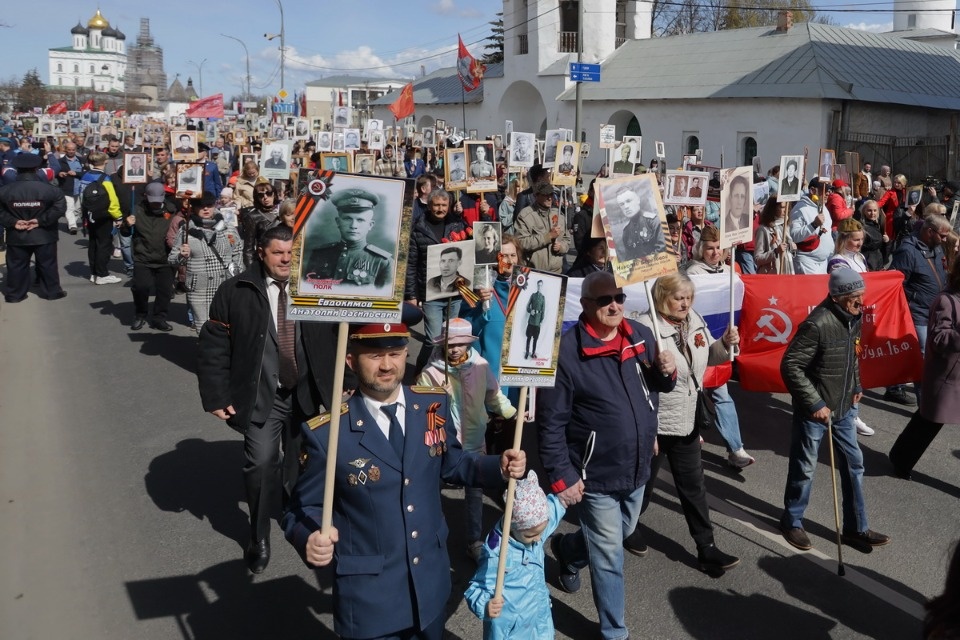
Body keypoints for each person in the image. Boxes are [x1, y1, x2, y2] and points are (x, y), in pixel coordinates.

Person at [281, 320, 526, 640]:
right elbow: (301, 507)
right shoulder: (327, 434)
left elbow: (453, 464)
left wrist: (499, 467)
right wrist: (310, 535)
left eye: (396, 354)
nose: (387, 365)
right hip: (371, 600)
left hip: (431, 585)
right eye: (374, 356)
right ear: (350, 360)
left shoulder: (430, 405)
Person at [198, 224, 351, 574]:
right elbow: (214, 347)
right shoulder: (236, 291)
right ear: (261, 253)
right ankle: (258, 535)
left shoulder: (318, 286)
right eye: (278, 252)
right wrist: (216, 395)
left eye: (291, 253)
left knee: (300, 466)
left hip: (307, 395)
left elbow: (341, 335)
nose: (286, 259)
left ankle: (298, 524)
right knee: (262, 463)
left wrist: (348, 379)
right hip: (261, 396)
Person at [540, 270, 676, 640]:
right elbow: (551, 423)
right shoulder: (567, 354)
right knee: (610, 557)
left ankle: (568, 549)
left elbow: (654, 388)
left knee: (623, 531)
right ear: (586, 306)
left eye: (618, 298)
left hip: (637, 465)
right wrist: (562, 477)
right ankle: (614, 632)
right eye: (604, 300)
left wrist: (667, 375)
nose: (614, 305)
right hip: (594, 472)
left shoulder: (642, 336)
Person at [629, 272, 743, 568]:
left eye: (688, 297)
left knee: (694, 486)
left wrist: (726, 344)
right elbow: (636, 382)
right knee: (641, 487)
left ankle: (707, 547)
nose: (685, 303)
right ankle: (625, 529)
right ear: (661, 297)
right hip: (655, 423)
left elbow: (709, 357)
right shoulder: (644, 327)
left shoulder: (693, 320)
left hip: (687, 420)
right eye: (678, 298)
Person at [779, 268, 890, 552]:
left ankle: (856, 528)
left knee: (854, 464)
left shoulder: (853, 317)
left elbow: (853, 354)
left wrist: (856, 386)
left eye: (861, 296)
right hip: (816, 413)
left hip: (843, 410)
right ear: (838, 297)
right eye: (854, 297)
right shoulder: (817, 324)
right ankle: (792, 521)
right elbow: (790, 366)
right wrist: (815, 404)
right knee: (804, 468)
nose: (860, 302)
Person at [417, 318, 517, 561]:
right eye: (450, 343)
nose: (454, 349)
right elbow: (419, 407)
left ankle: (474, 539)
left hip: (474, 442)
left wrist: (512, 412)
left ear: (468, 344)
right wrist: (436, 396)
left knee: (474, 494)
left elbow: (493, 395)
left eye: (460, 344)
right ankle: (427, 537)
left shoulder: (481, 366)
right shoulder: (431, 373)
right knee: (431, 491)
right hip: (441, 444)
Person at [682, 230, 755, 466]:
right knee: (691, 394)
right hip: (694, 344)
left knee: (722, 394)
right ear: (700, 249)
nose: (715, 252)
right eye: (710, 247)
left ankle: (736, 449)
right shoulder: (692, 273)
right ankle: (688, 439)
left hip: (721, 343)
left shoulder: (729, 271)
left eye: (718, 247)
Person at [464, 470, 563, 639]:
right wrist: (485, 606)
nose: (538, 539)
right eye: (531, 535)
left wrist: (565, 496)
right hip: (511, 630)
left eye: (542, 531)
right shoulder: (497, 553)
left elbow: (553, 510)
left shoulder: (534, 529)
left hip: (538, 619)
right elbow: (477, 587)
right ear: (513, 526)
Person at [889, 254, 960, 479]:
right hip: (947, 375)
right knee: (929, 420)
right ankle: (901, 458)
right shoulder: (946, 300)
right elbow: (939, 338)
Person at [884, 214, 951, 406]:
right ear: (930, 232)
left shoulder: (935, 247)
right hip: (917, 312)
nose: (944, 240)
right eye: (942, 236)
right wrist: (909, 303)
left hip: (936, 310)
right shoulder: (907, 251)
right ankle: (926, 404)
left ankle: (895, 387)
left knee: (929, 354)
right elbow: (896, 283)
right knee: (922, 357)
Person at [169, 192, 243, 329]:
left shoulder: (228, 228)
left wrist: (237, 276)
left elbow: (237, 252)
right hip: (199, 288)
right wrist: (181, 255)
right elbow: (172, 260)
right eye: (201, 206)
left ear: (215, 206)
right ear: (194, 208)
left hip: (225, 285)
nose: (205, 209)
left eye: (209, 205)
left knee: (226, 326)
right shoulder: (185, 231)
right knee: (204, 328)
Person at [0, 153, 67, 302]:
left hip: (17, 235)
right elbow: (59, 208)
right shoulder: (50, 189)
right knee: (47, 265)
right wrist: (40, 221)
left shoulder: (5, 190)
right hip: (44, 234)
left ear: (16, 169)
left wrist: (13, 222)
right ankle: (52, 292)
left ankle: (15, 295)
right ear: (37, 168)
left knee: (16, 266)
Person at [406, 189, 470, 344]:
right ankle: (424, 368)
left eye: (444, 205)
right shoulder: (417, 229)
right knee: (434, 340)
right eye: (436, 205)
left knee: (452, 339)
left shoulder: (457, 224)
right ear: (429, 205)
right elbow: (411, 265)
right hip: (431, 294)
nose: (440, 209)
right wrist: (411, 296)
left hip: (455, 293)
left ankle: (443, 368)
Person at [302, 188, 392, 288]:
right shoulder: (319, 254)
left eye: (360, 220)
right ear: (338, 222)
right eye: (347, 219)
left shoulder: (382, 262)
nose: (353, 225)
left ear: (370, 225)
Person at [125, 182, 175, 330]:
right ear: (146, 196)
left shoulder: (171, 211)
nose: (155, 204)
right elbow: (125, 233)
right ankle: (140, 314)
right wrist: (127, 225)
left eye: (158, 201)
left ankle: (159, 317)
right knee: (140, 287)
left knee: (165, 291)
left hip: (165, 258)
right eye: (152, 200)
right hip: (143, 256)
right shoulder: (136, 210)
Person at [79, 151, 123, 284]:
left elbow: (81, 196)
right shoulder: (105, 178)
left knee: (93, 244)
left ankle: (94, 273)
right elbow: (112, 201)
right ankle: (102, 274)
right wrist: (118, 216)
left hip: (89, 214)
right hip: (103, 216)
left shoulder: (85, 176)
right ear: (105, 162)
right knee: (104, 244)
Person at [514, 181, 570, 273]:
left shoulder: (559, 215)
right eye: (545, 195)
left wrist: (561, 247)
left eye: (551, 194)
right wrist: (548, 237)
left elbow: (567, 240)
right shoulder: (525, 216)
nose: (549, 198)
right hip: (533, 271)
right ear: (536, 196)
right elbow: (521, 242)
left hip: (556, 272)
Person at [788, 177, 835, 274]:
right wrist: (813, 225)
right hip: (807, 262)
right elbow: (794, 235)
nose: (828, 193)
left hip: (823, 262)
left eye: (829, 190)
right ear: (813, 190)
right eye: (824, 190)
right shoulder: (800, 209)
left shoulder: (823, 207)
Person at [617, 185, 666, 261]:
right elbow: (629, 257)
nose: (626, 207)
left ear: (638, 200)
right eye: (622, 204)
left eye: (628, 201)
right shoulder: (626, 231)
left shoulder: (653, 221)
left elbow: (662, 249)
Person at [239, 180, 280, 267]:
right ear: (256, 198)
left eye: (268, 193)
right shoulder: (253, 216)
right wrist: (250, 270)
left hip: (286, 257)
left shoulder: (284, 211)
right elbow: (248, 248)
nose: (265, 197)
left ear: (274, 194)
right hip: (265, 259)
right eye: (261, 195)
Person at [754, 197, 795, 274]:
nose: (785, 210)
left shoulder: (785, 226)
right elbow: (757, 258)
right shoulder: (763, 229)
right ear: (773, 209)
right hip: (771, 276)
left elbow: (787, 252)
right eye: (782, 207)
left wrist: (791, 247)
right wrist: (775, 252)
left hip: (786, 273)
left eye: (787, 207)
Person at [855, 199, 888, 271]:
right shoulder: (861, 227)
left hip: (878, 261)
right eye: (869, 210)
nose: (872, 213)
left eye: (875, 210)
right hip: (868, 263)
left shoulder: (876, 225)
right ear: (864, 211)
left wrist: (886, 242)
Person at [524, 280, 546, 359]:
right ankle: (527, 352)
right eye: (538, 285)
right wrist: (530, 311)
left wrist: (541, 321)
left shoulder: (543, 298)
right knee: (528, 338)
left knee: (535, 339)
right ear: (537, 286)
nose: (539, 287)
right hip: (531, 321)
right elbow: (527, 307)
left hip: (537, 322)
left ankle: (533, 353)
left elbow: (543, 310)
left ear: (542, 286)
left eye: (541, 285)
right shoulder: (533, 295)